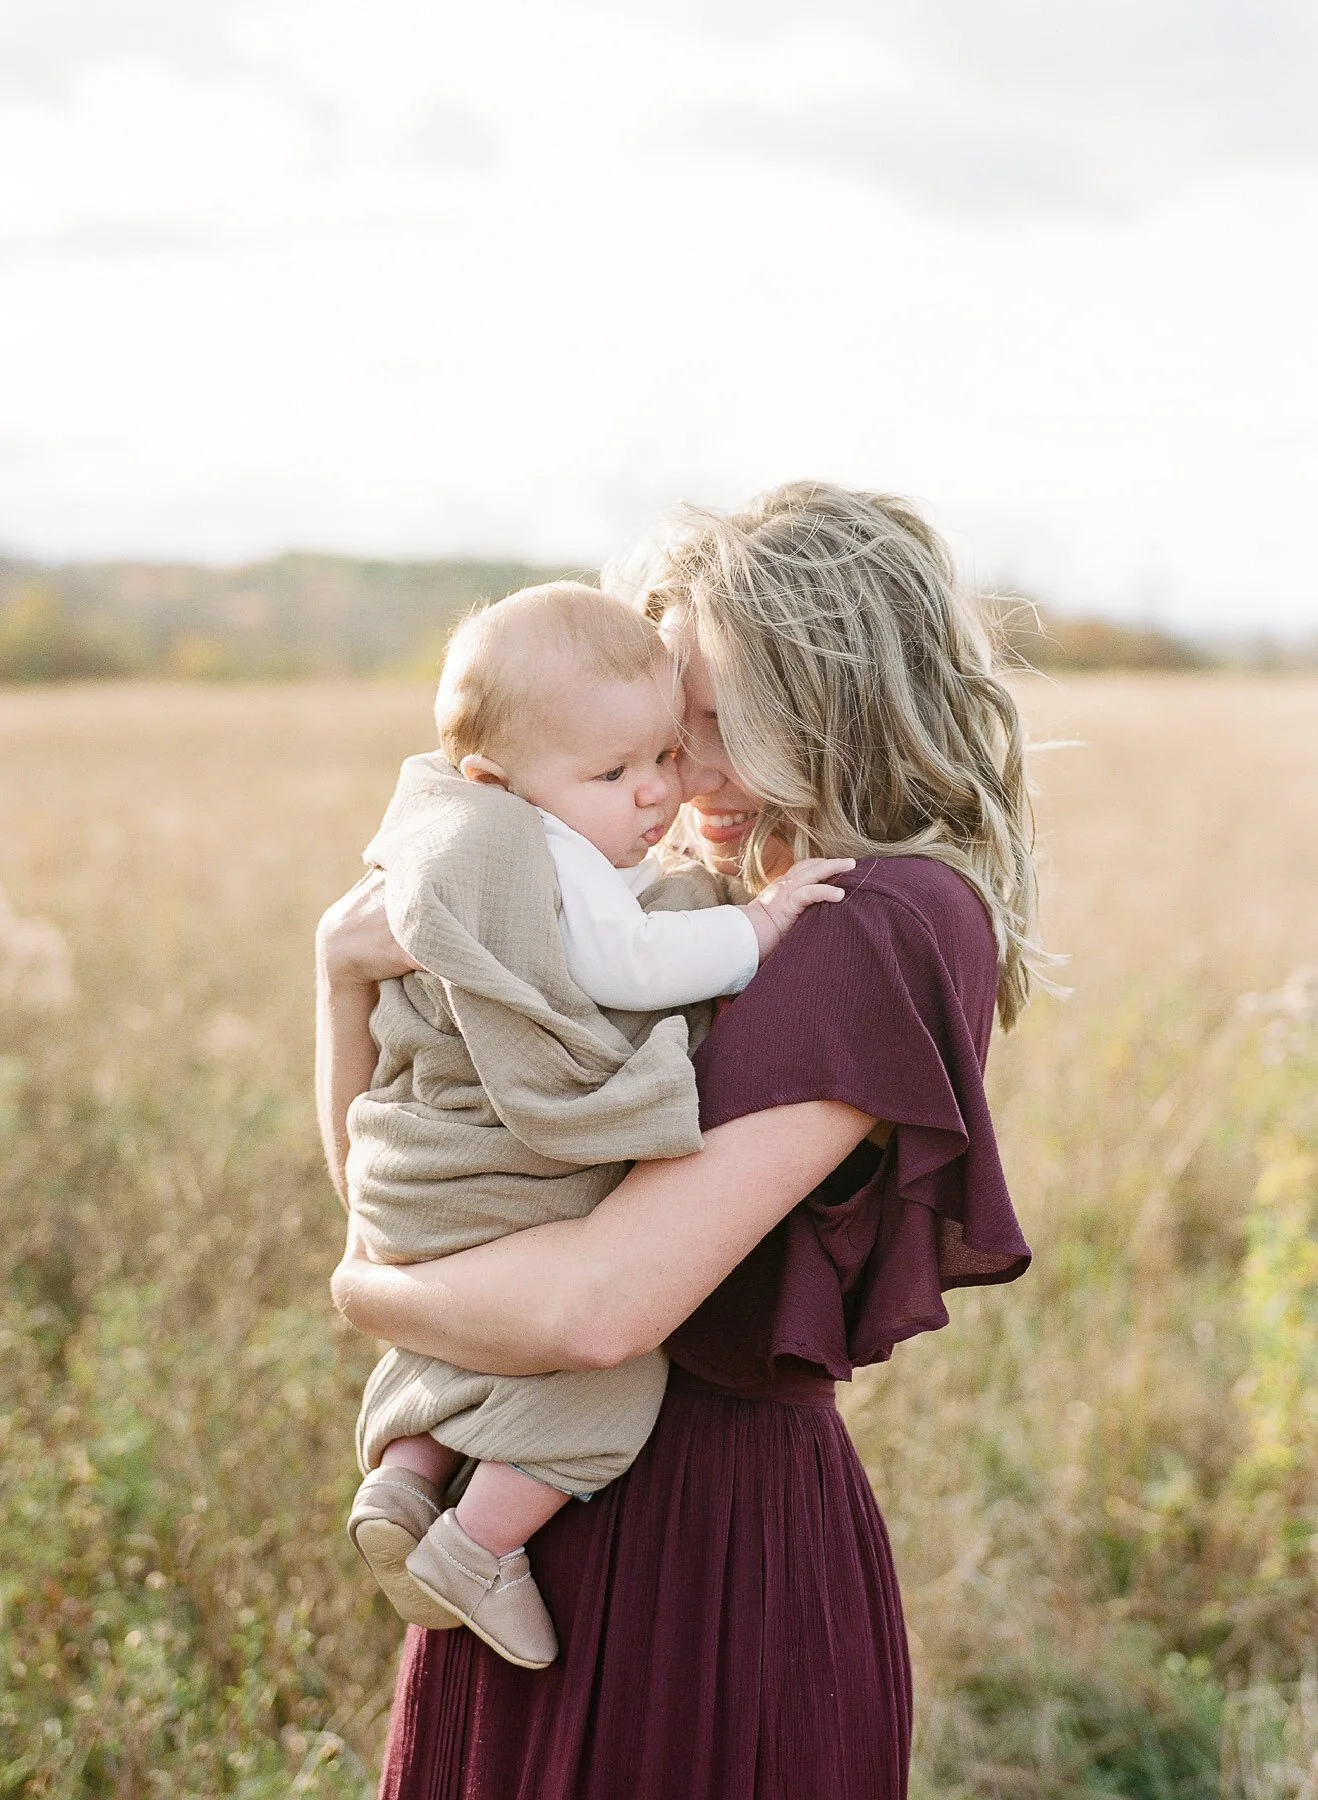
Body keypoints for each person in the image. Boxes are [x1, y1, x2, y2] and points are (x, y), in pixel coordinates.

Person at [317, 481, 1037, 1800]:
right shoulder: (680, 905)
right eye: (652, 734)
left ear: (822, 709)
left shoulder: (879, 925)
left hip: (701, 1556)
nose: (673, 775)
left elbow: (597, 1310)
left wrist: (369, 1293)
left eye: (707, 726)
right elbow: (400, 1179)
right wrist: (338, 976)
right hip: (522, 1520)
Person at [344, 580, 850, 1670]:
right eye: (613, 774)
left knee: (476, 1329)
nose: (658, 791)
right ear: (497, 779)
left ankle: (408, 1477)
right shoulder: (534, 850)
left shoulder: (469, 830)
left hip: (411, 1180)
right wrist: (759, 926)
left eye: (661, 755)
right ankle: (477, 1548)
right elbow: (625, 965)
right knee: (609, 1376)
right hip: (483, 1168)